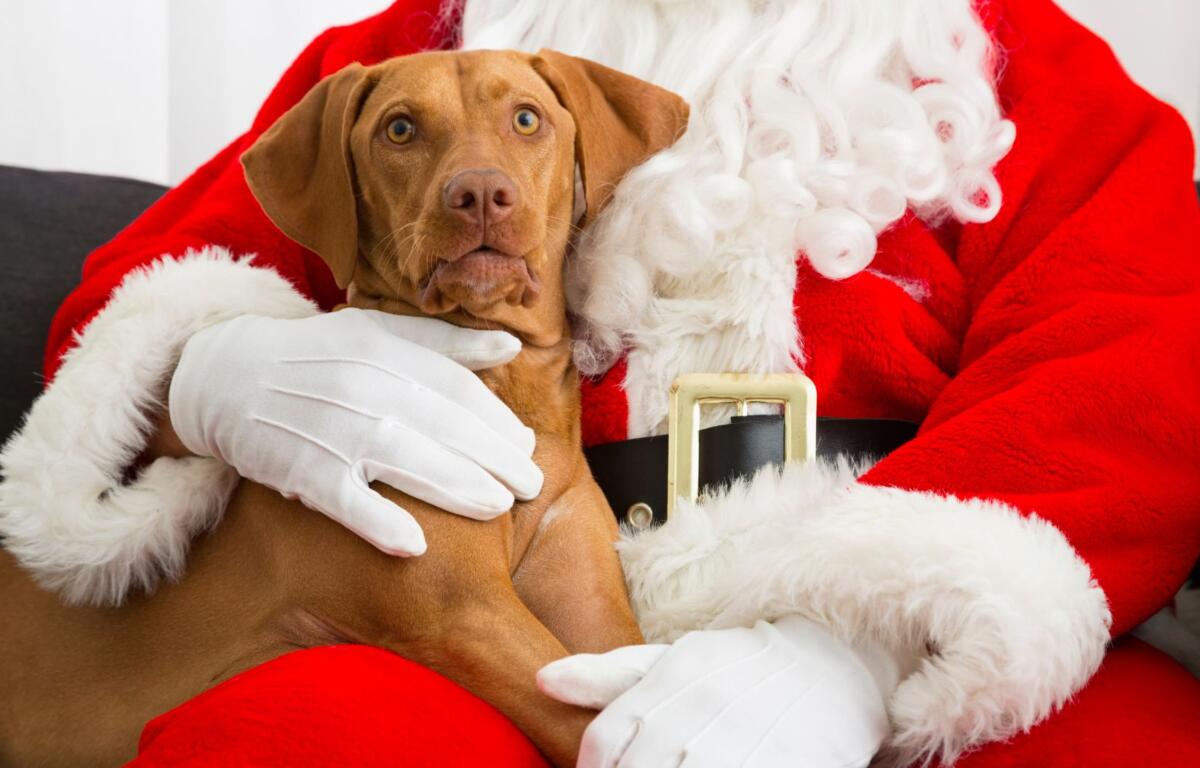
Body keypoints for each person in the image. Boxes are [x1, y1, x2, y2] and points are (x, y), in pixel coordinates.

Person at [2, 0, 1199, 765]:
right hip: (468, 601)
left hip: (900, 622)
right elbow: (135, 296)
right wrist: (209, 361)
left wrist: (855, 648)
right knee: (296, 742)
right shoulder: (416, 51)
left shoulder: (1025, 67)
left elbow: (1136, 371)